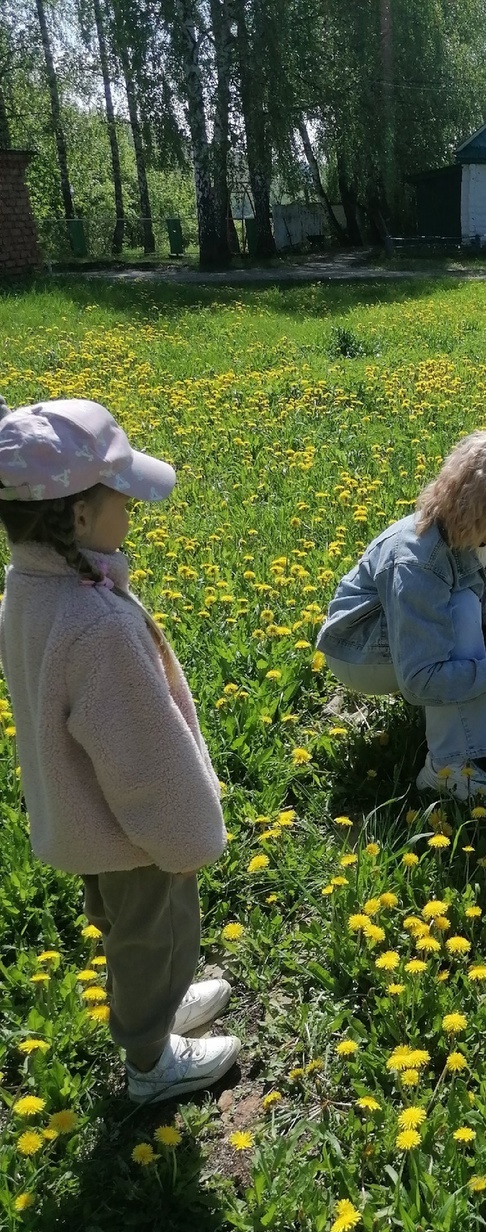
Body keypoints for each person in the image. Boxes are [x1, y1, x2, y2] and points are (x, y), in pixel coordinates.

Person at [0, 397, 240, 1104]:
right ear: (78, 515)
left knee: (126, 927)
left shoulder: (29, 586)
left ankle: (153, 1007)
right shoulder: (95, 623)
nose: (133, 513)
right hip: (134, 832)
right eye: (123, 499)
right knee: (154, 932)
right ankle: (150, 1057)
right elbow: (142, 759)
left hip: (81, 816)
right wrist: (186, 836)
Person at [316, 430, 486, 798]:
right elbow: (421, 679)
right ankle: (444, 768)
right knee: (463, 607)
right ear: (484, 514)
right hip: (362, 652)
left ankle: (444, 719)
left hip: (422, 643)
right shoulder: (419, 560)